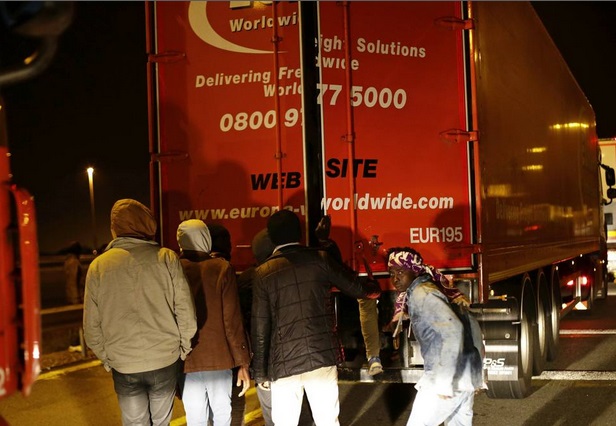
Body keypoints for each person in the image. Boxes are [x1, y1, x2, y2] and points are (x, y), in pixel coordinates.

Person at [251, 209, 381, 426]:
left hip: (283, 362)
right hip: (321, 356)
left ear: (272, 237)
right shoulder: (319, 259)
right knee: (327, 420)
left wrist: (260, 373)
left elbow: (260, 327)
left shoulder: (263, 273)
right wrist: (374, 288)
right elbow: (357, 288)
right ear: (300, 233)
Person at [83, 199, 197, 426]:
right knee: (161, 422)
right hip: (165, 358)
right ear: (147, 225)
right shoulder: (166, 258)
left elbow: (91, 327)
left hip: (123, 363)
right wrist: (182, 348)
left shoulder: (98, 266)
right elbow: (186, 312)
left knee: (135, 423)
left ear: (115, 227)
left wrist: (108, 358)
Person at [387, 247, 486, 426]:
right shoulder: (435, 290)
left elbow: (454, 330)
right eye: (391, 273)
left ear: (415, 270)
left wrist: (444, 382)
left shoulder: (422, 293)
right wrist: (477, 375)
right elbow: (472, 325)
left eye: (400, 272)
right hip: (464, 379)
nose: (395, 278)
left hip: (445, 379)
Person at [177, 219, 251, 426]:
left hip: (187, 359)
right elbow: (232, 321)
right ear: (205, 239)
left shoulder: (174, 269)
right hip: (220, 359)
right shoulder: (221, 269)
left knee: (195, 419)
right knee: (222, 415)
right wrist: (243, 362)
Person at [314, 217, 383, 376]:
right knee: (367, 302)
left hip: (327, 284)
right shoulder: (327, 252)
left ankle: (369, 357)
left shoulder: (319, 252)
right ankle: (373, 357)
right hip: (346, 280)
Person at [63, 241, 84, 305]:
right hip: (75, 298)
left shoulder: (68, 261)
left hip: (71, 296)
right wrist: (76, 299)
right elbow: (73, 281)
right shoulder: (73, 262)